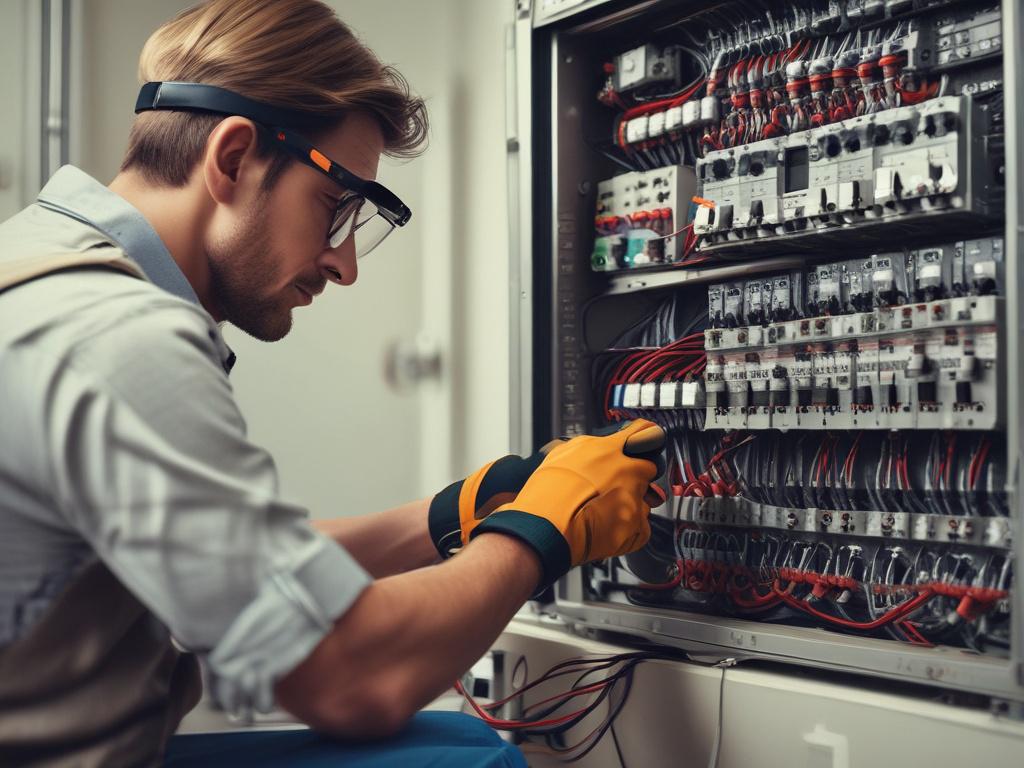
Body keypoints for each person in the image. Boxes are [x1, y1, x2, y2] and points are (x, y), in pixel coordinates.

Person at [0, 1, 666, 765]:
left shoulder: (39, 266)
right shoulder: (119, 335)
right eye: (336, 205)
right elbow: (351, 677)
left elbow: (233, 573)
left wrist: (446, 516)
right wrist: (543, 532)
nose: (345, 264)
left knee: (451, 739)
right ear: (231, 158)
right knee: (470, 761)